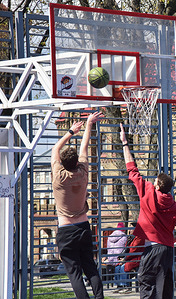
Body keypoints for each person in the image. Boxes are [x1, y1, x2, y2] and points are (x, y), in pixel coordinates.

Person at [120, 123, 176, 299]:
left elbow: (132, 169)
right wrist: (172, 239)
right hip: (167, 249)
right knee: (165, 287)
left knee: (147, 282)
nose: (152, 182)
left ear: (158, 185)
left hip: (152, 248)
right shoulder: (175, 207)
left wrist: (124, 143)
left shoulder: (148, 192)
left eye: (155, 181)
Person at [52, 111, 104, 299]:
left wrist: (70, 132)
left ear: (63, 164)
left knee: (74, 273)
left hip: (66, 229)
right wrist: (89, 124)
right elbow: (85, 146)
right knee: (90, 267)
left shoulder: (58, 176)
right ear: (76, 162)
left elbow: (55, 149)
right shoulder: (83, 172)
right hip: (83, 226)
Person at [103, 222, 127, 291]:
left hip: (110, 259)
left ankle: (118, 285)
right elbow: (124, 248)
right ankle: (123, 285)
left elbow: (108, 248)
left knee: (117, 268)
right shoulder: (124, 237)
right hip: (119, 258)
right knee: (120, 266)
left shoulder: (110, 237)